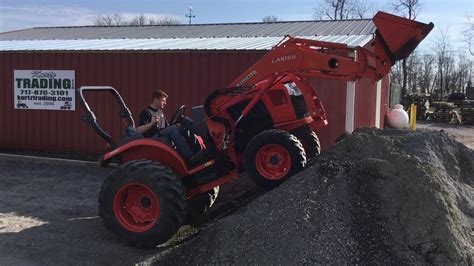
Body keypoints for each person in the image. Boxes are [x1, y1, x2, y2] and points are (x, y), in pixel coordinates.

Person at [137, 90, 201, 167]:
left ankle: (198, 151)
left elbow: (167, 127)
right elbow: (139, 130)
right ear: (155, 100)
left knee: (184, 126)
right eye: (163, 100)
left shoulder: (160, 112)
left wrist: (178, 125)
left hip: (161, 135)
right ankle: (189, 157)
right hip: (152, 140)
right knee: (172, 129)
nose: (165, 103)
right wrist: (151, 123)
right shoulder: (146, 112)